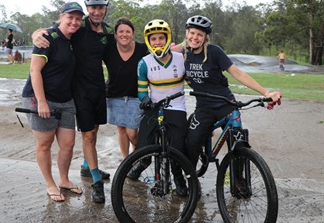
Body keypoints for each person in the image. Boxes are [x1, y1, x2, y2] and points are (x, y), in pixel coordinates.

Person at [172, 15, 282, 177]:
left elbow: (238, 74)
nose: (195, 38)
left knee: (237, 144)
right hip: (204, 108)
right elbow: (161, 54)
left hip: (226, 104)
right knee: (192, 142)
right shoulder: (182, 53)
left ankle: (239, 183)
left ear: (205, 38)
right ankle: (190, 180)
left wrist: (266, 93)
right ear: (186, 33)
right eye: (192, 33)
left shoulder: (215, 52)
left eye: (200, 35)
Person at [32, 0, 114, 203]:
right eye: (93, 8)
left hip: (98, 88)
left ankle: (87, 167)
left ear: (106, 9)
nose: (96, 12)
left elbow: (125, 48)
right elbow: (55, 29)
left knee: (93, 132)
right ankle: (96, 181)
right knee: (87, 135)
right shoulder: (79, 27)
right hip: (79, 90)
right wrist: (36, 33)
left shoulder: (107, 32)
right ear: (88, 8)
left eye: (101, 7)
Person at [21, 1, 85, 203]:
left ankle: (64, 179)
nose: (74, 22)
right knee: (45, 144)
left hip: (66, 99)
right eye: (70, 17)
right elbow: (35, 71)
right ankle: (50, 183)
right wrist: (41, 102)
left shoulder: (73, 40)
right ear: (61, 16)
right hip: (40, 98)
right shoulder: (47, 38)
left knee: (68, 144)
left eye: (78, 18)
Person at [127, 19, 189, 197]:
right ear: (148, 41)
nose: (157, 42)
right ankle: (142, 164)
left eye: (161, 38)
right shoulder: (144, 63)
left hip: (176, 107)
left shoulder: (180, 59)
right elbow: (141, 91)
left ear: (168, 38)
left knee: (177, 147)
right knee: (143, 145)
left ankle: (179, 179)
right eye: (153, 39)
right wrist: (145, 99)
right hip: (154, 107)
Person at [103, 18, 147, 159]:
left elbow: (162, 51)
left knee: (132, 132)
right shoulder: (109, 48)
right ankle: (125, 160)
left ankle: (136, 156)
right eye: (120, 31)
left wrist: (185, 45)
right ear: (115, 34)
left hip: (136, 96)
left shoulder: (142, 48)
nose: (124, 34)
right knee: (121, 129)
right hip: (114, 95)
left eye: (128, 31)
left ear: (133, 33)